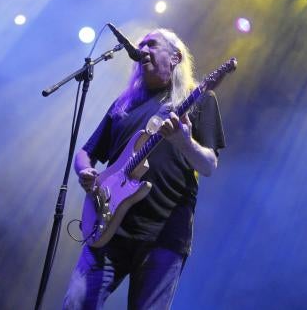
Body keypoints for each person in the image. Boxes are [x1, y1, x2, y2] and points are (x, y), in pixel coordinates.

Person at [63, 28, 225, 310]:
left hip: (163, 234)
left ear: (175, 58)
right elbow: (84, 153)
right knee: (75, 304)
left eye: (151, 44)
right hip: (107, 226)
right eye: (140, 45)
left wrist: (184, 141)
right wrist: (85, 172)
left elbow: (209, 165)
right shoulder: (124, 105)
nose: (142, 49)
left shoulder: (198, 100)